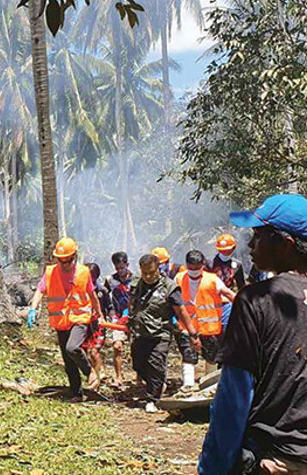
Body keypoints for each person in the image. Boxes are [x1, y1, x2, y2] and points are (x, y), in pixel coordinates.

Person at [199, 194, 307, 474]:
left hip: (276, 459)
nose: (249, 245)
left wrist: (213, 467)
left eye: (257, 236)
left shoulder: (255, 300)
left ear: (286, 245)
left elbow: (234, 399)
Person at [29, 237, 103, 400]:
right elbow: (40, 291)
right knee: (68, 359)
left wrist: (99, 314)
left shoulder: (84, 272)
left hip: (80, 319)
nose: (64, 264)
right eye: (61, 261)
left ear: (74, 257)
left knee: (72, 348)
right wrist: (33, 309)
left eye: (67, 261)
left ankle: (89, 371)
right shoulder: (50, 272)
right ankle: (76, 392)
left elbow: (92, 295)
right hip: (61, 322)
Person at [128, 253, 200, 413]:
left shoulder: (169, 287)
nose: (147, 276)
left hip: (160, 334)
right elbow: (132, 304)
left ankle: (154, 398)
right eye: (144, 272)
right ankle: (158, 384)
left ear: (158, 269)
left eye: (151, 272)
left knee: (156, 364)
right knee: (138, 365)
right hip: (140, 333)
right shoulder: (135, 284)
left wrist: (192, 333)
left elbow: (181, 311)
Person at [175, 250, 236, 387]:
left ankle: (209, 385)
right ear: (186, 265)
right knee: (188, 356)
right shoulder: (179, 278)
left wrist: (244, 306)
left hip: (209, 327)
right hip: (186, 326)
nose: (194, 271)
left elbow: (229, 294)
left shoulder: (213, 279)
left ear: (203, 265)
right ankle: (188, 386)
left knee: (211, 358)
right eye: (191, 267)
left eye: (197, 268)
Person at [104, 251, 132, 388]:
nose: (120, 271)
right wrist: (110, 314)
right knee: (117, 346)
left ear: (127, 264)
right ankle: (118, 376)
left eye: (123, 267)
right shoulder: (111, 280)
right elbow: (104, 297)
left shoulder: (136, 279)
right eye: (117, 268)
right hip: (118, 318)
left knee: (137, 347)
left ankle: (139, 376)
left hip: (134, 318)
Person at [85, 263, 110, 385]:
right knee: (84, 352)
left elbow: (110, 307)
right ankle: (92, 374)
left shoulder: (102, 291)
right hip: (84, 324)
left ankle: (97, 379)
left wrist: (112, 319)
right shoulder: (79, 288)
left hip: (98, 325)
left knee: (94, 351)